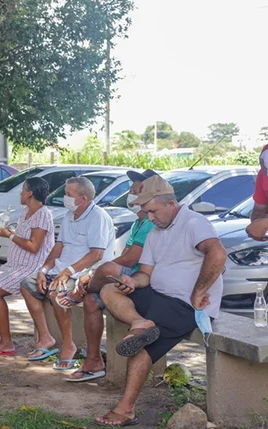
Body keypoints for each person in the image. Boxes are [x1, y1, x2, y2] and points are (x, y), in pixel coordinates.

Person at [95, 175, 226, 427]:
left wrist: (199, 291)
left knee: (141, 348)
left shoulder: (194, 222)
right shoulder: (155, 231)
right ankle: (140, 323)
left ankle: (125, 410)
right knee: (110, 289)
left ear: (170, 204)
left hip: (186, 305)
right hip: (158, 295)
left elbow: (218, 253)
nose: (150, 217)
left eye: (153, 211)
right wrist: (133, 282)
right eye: (146, 212)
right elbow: (146, 274)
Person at [59, 169, 157, 382]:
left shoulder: (151, 221)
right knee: (91, 301)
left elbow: (130, 259)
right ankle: (93, 361)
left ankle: (83, 287)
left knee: (106, 269)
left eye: (137, 190)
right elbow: (125, 255)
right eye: (132, 190)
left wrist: (93, 274)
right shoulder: (137, 222)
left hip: (146, 280)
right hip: (128, 278)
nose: (131, 194)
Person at [20, 177, 115, 368]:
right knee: (26, 284)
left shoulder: (98, 217)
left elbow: (97, 254)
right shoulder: (69, 216)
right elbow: (58, 246)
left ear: (83, 199)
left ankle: (68, 344)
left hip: (82, 274)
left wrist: (68, 271)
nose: (65, 198)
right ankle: (46, 337)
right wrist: (43, 270)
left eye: (69, 195)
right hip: (59, 270)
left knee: (57, 295)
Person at [0, 177, 55, 356]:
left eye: (23, 190)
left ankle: (6, 343)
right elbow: (22, 238)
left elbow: (34, 246)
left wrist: (9, 236)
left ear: (30, 193)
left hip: (31, 266)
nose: (20, 193)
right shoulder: (26, 211)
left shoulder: (42, 214)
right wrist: (7, 233)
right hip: (15, 264)